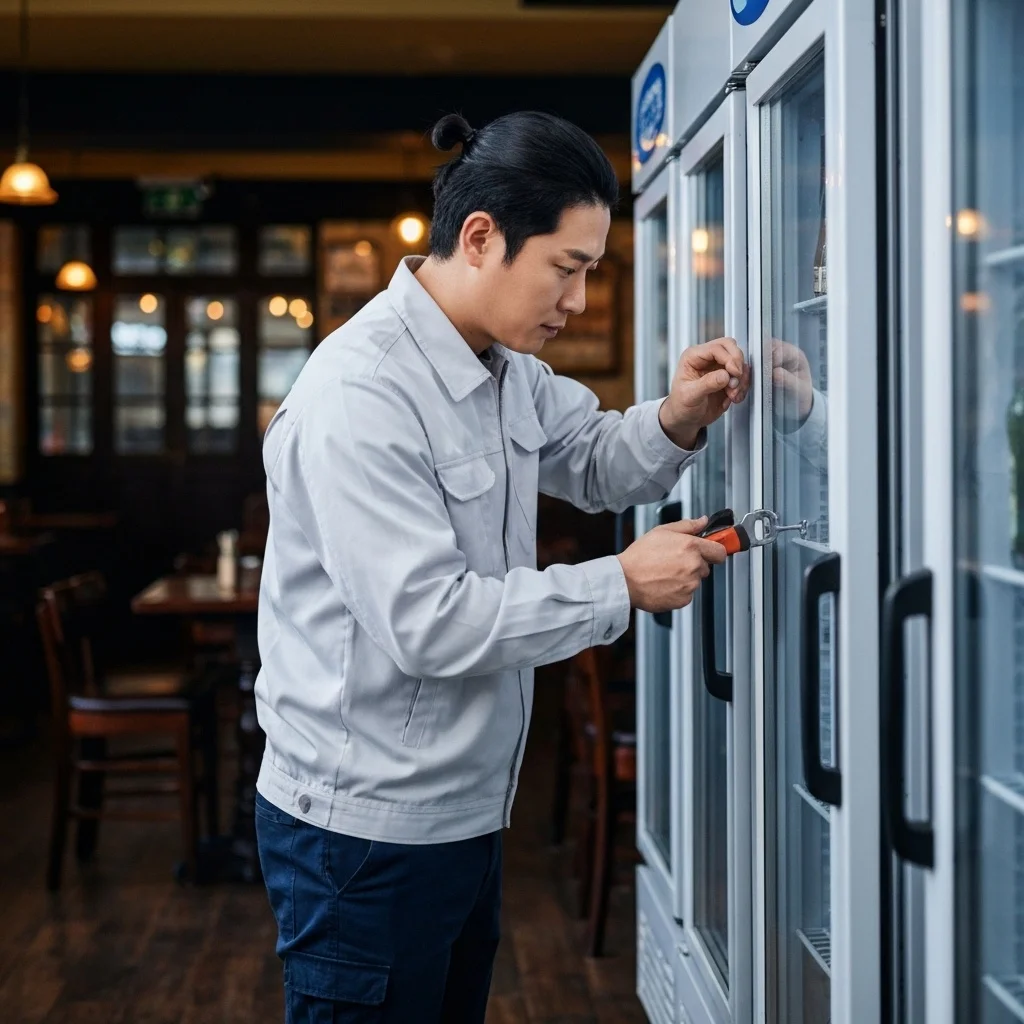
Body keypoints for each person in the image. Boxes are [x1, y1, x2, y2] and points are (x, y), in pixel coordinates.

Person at [253, 110, 749, 1023]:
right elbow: (429, 622)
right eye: (567, 268)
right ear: (481, 238)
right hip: (362, 834)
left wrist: (681, 414)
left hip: (463, 812)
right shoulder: (361, 393)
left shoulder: (503, 367)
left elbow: (597, 456)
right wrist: (621, 584)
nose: (579, 300)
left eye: (591, 271)